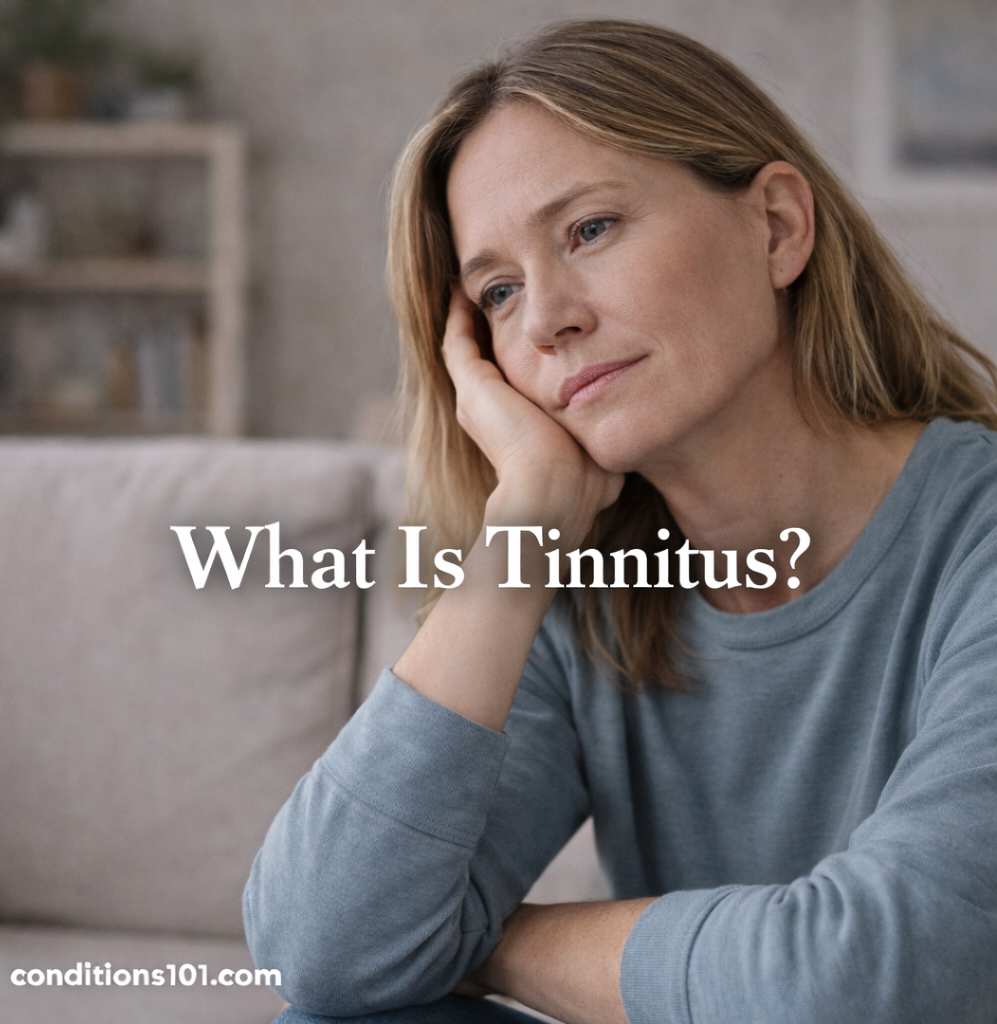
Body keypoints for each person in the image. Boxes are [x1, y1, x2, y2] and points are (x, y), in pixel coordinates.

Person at [244, 20, 997, 1024]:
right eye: (498, 293)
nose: (547, 317)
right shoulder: (586, 584)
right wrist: (521, 530)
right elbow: (316, 954)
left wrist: (486, 942)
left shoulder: (974, 537)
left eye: (589, 230)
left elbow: (865, 982)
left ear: (776, 226)